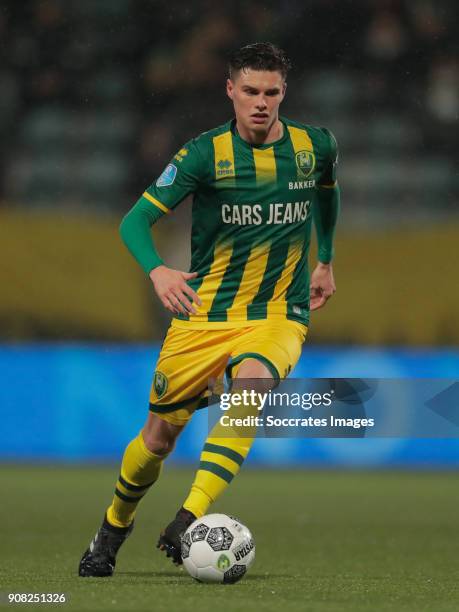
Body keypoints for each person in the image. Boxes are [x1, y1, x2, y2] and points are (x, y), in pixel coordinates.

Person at [78, 42, 339, 577]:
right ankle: (112, 527)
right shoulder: (202, 154)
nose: (261, 103)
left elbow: (327, 195)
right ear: (230, 91)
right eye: (250, 92)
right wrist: (158, 269)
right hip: (204, 315)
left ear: (283, 92)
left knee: (249, 390)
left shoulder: (316, 146)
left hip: (277, 313)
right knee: (156, 440)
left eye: (271, 92)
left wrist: (326, 260)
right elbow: (133, 222)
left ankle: (189, 514)